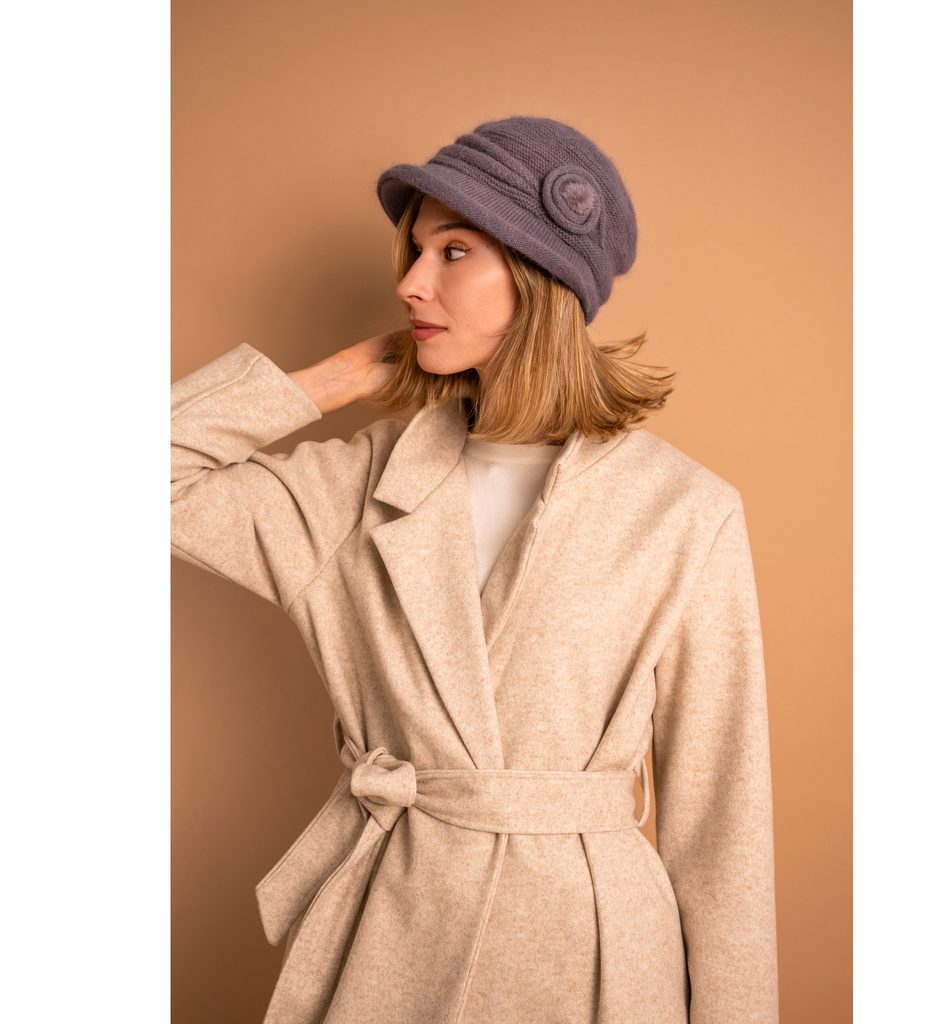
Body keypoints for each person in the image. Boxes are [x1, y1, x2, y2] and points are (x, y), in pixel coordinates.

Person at [171, 115, 780, 1024]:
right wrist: (334, 378)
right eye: (415, 251)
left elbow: (722, 821)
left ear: (540, 278)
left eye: (454, 251)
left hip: (597, 957)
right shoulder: (354, 487)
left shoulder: (684, 510)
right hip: (395, 933)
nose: (412, 282)